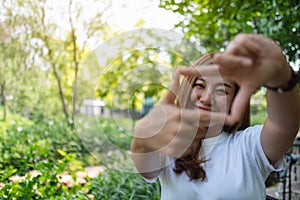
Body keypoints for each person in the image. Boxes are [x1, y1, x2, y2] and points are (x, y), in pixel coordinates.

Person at [130, 33, 300, 199]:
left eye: (221, 90)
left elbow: (284, 124)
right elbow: (145, 163)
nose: (206, 99)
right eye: (200, 85)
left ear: (236, 99)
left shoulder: (250, 145)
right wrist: (142, 137)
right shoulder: (169, 145)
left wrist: (280, 76)